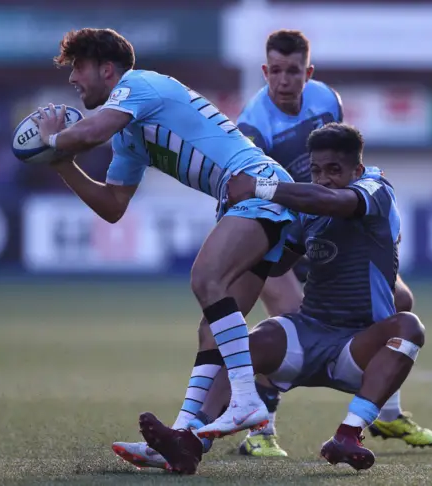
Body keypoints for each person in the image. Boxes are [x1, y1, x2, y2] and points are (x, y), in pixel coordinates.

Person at [31, 28, 298, 442]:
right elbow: (113, 205)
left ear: (107, 69)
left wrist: (50, 138)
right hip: (244, 202)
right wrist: (61, 163)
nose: (72, 79)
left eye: (78, 67)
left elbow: (88, 133)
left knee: (205, 279)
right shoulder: (127, 133)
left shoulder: (138, 85)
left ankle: (247, 398)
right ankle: (185, 436)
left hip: (260, 188)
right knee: (212, 328)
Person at [136, 123, 427, 475]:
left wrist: (259, 187)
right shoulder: (310, 211)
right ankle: (191, 443)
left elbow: (332, 200)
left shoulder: (376, 190)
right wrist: (243, 235)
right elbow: (278, 266)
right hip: (308, 334)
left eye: (335, 170)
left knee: (409, 327)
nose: (324, 179)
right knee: (242, 344)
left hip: (357, 346)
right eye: (317, 171)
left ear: (357, 170)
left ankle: (348, 434)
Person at [234, 29, 432, 456]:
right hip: (283, 227)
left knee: (400, 301)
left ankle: (385, 414)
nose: (285, 80)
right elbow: (255, 193)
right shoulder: (253, 125)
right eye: (276, 71)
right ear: (264, 71)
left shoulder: (327, 98)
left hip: (331, 220)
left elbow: (338, 155)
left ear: (307, 72)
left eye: (293, 71)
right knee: (290, 327)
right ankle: (261, 430)